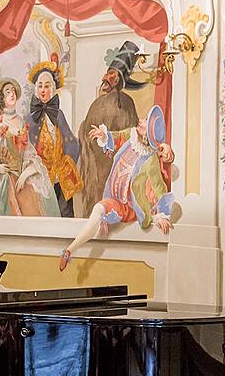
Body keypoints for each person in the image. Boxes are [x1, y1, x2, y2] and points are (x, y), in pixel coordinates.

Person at [60, 105, 180, 271]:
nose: (140, 120)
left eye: (145, 121)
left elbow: (158, 187)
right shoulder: (131, 136)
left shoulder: (151, 160)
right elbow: (116, 137)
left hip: (128, 207)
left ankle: (75, 248)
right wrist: (104, 135)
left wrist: (160, 215)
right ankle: (69, 251)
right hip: (113, 197)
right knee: (97, 209)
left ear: (149, 132)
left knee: (99, 212)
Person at [76, 41, 141, 218]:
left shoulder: (123, 103)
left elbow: (132, 136)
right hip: (104, 163)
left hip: (108, 163)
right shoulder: (120, 103)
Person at [0, 78, 59, 217]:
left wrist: (26, 173)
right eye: (8, 92)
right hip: (8, 177)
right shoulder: (1, 125)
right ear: (2, 98)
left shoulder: (20, 121)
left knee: (36, 193)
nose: (12, 94)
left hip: (23, 172)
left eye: (13, 91)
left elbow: (29, 152)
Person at [26, 59, 82, 218]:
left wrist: (66, 162)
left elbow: (71, 142)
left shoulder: (59, 114)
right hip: (40, 176)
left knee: (65, 212)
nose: (43, 90)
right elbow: (26, 149)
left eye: (47, 86)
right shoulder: (30, 119)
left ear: (54, 90)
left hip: (61, 174)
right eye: (40, 86)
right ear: (36, 90)